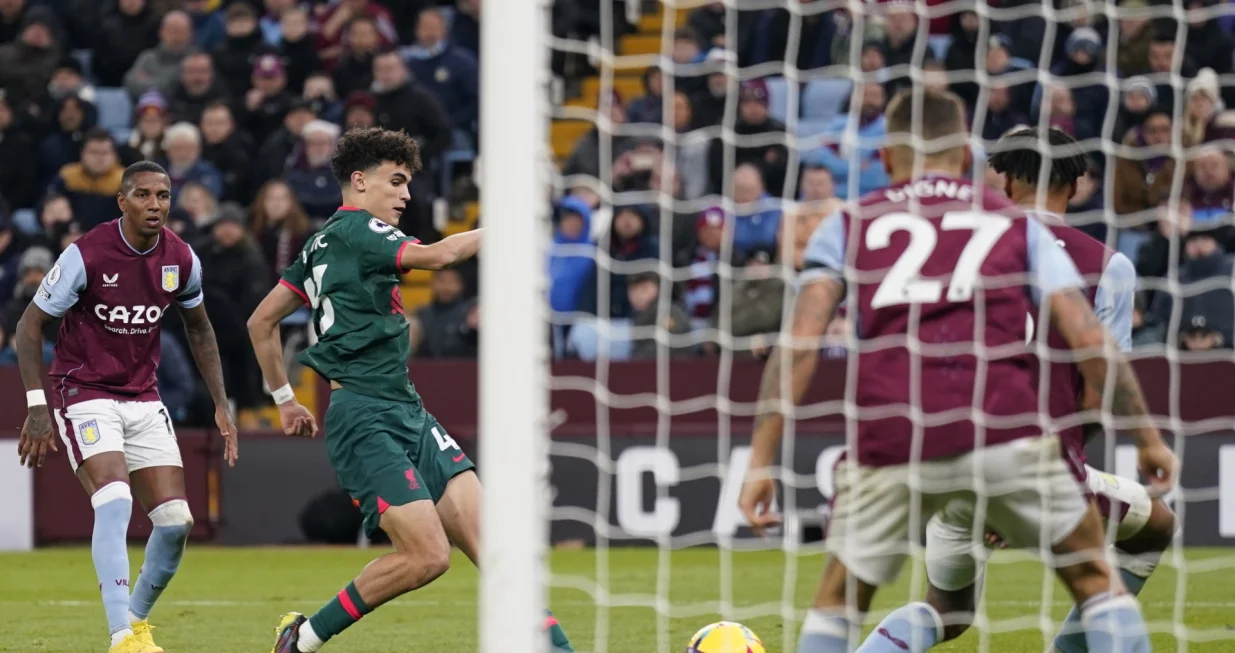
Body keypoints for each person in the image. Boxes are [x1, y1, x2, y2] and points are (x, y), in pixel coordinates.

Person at [737, 89, 1175, 653]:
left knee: (860, 601)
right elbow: (1093, 353)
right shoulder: (1017, 231)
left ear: (888, 157)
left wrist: (759, 460)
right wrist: (1146, 439)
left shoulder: (853, 221)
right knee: (1110, 570)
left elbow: (798, 345)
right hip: (1012, 438)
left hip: (896, 438)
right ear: (967, 153)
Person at [245, 127, 575, 653]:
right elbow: (441, 257)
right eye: (396, 181)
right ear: (359, 181)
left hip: (408, 411)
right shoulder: (361, 231)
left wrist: (285, 400)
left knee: (498, 551)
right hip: (363, 414)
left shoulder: (317, 245)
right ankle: (302, 639)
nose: (405, 195)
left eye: (408, 184)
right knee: (428, 556)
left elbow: (260, 323)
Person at [852, 126, 1179, 653]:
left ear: (1002, 181)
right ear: (1075, 187)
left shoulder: (951, 250)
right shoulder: (1106, 265)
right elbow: (1095, 399)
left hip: (941, 453)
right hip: (1036, 464)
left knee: (948, 610)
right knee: (1156, 527)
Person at [13, 161, 238, 653]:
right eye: (143, 195)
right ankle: (120, 638)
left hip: (143, 396)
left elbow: (199, 328)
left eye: (162, 195)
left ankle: (134, 621)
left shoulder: (181, 258)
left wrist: (221, 402)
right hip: (84, 392)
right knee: (113, 502)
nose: (154, 204)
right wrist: (37, 405)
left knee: (177, 521)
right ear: (123, 201)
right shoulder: (86, 254)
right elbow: (28, 327)